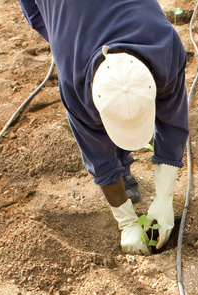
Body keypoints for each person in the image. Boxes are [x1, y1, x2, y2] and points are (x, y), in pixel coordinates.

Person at [17, 0, 189, 255]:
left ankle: (126, 171)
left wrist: (164, 199)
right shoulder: (74, 84)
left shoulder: (165, 45)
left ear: (153, 83)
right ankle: (123, 171)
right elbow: (97, 154)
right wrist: (127, 222)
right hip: (65, 24)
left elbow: (173, 123)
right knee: (55, 31)